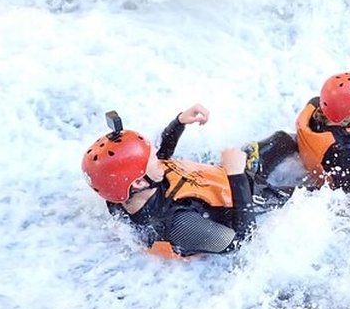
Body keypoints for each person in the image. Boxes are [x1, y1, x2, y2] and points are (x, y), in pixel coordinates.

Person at [81, 104, 294, 260]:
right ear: (138, 183)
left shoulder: (124, 192)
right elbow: (241, 241)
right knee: (306, 192)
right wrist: (236, 175)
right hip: (244, 199)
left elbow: (160, 159)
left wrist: (179, 123)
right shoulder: (179, 224)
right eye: (151, 158)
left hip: (218, 176)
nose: (158, 155)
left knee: (282, 139)